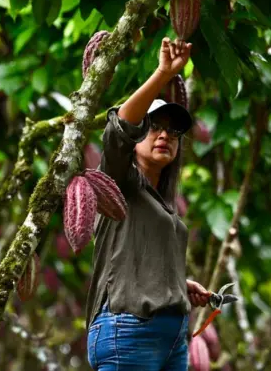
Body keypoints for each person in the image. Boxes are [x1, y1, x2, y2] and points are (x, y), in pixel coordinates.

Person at [85, 37, 211, 371]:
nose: (165, 136)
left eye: (173, 132)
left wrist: (176, 284)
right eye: (155, 127)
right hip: (128, 332)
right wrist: (163, 73)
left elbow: (133, 258)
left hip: (171, 340)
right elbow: (118, 131)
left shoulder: (165, 205)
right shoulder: (118, 181)